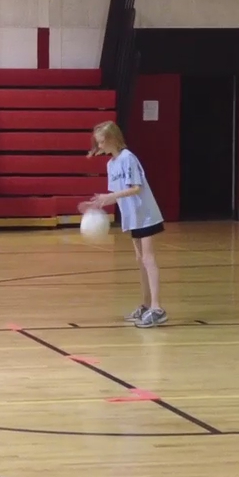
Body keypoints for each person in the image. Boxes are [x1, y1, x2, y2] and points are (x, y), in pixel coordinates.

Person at [81, 121, 167, 327]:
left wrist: (109, 198)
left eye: (101, 142)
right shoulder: (111, 164)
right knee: (140, 260)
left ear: (112, 139)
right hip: (133, 217)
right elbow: (115, 194)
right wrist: (98, 203)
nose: (99, 146)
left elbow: (136, 188)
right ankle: (146, 304)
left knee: (148, 259)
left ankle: (157, 308)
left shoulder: (128, 158)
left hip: (145, 214)